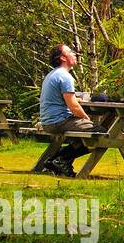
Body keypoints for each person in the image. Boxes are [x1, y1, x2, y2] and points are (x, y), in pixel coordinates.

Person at [35, 44, 95, 177]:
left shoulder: (52, 74)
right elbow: (73, 106)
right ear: (63, 58)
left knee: (83, 137)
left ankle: (56, 161)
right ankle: (60, 160)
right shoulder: (65, 76)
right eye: (71, 52)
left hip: (49, 121)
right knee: (100, 134)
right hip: (58, 121)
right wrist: (86, 117)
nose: (75, 54)